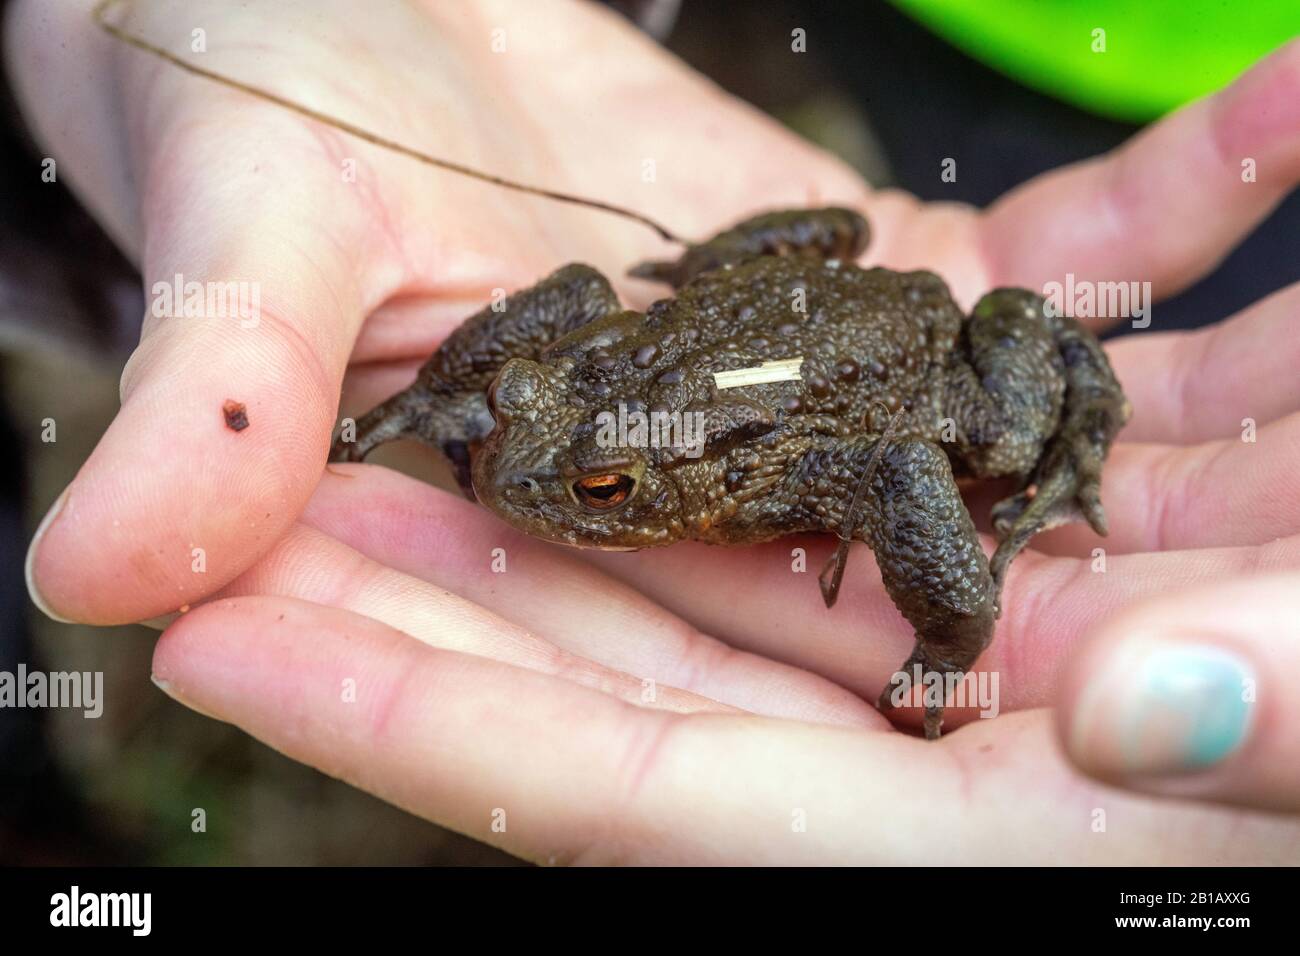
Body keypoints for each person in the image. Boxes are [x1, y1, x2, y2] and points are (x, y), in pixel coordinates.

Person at [11, 0, 1300, 862]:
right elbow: (574, 296)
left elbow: (907, 456)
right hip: (831, 213)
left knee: (1000, 438)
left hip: (900, 347)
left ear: (681, 484)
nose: (536, 484)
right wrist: (452, 386)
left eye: (607, 487)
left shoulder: (788, 463)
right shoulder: (589, 353)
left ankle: (1079, 450)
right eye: (535, 426)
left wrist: (950, 631)